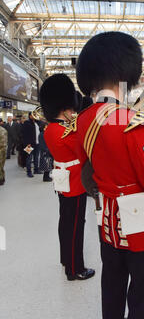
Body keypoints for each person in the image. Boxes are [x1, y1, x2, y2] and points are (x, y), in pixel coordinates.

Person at [76, 31, 144, 319]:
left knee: (112, 289)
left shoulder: (84, 119)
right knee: (142, 297)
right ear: (124, 76)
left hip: (108, 221)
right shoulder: (132, 122)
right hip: (140, 225)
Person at [40, 74, 95, 282]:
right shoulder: (67, 132)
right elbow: (86, 151)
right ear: (64, 107)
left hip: (63, 181)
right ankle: (75, 268)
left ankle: (66, 258)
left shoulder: (51, 129)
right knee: (75, 226)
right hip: (75, 182)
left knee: (65, 222)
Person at [22, 112, 41, 177]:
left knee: (36, 158)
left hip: (37, 143)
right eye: (34, 115)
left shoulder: (37, 123)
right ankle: (29, 172)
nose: (35, 116)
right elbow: (24, 134)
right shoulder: (26, 123)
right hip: (29, 144)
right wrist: (27, 143)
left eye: (35, 115)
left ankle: (36, 170)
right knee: (29, 158)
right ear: (30, 116)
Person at [0, 120, 8, 186]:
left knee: (0, 166)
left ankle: (1, 179)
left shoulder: (2, 130)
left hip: (1, 151)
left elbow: (3, 143)